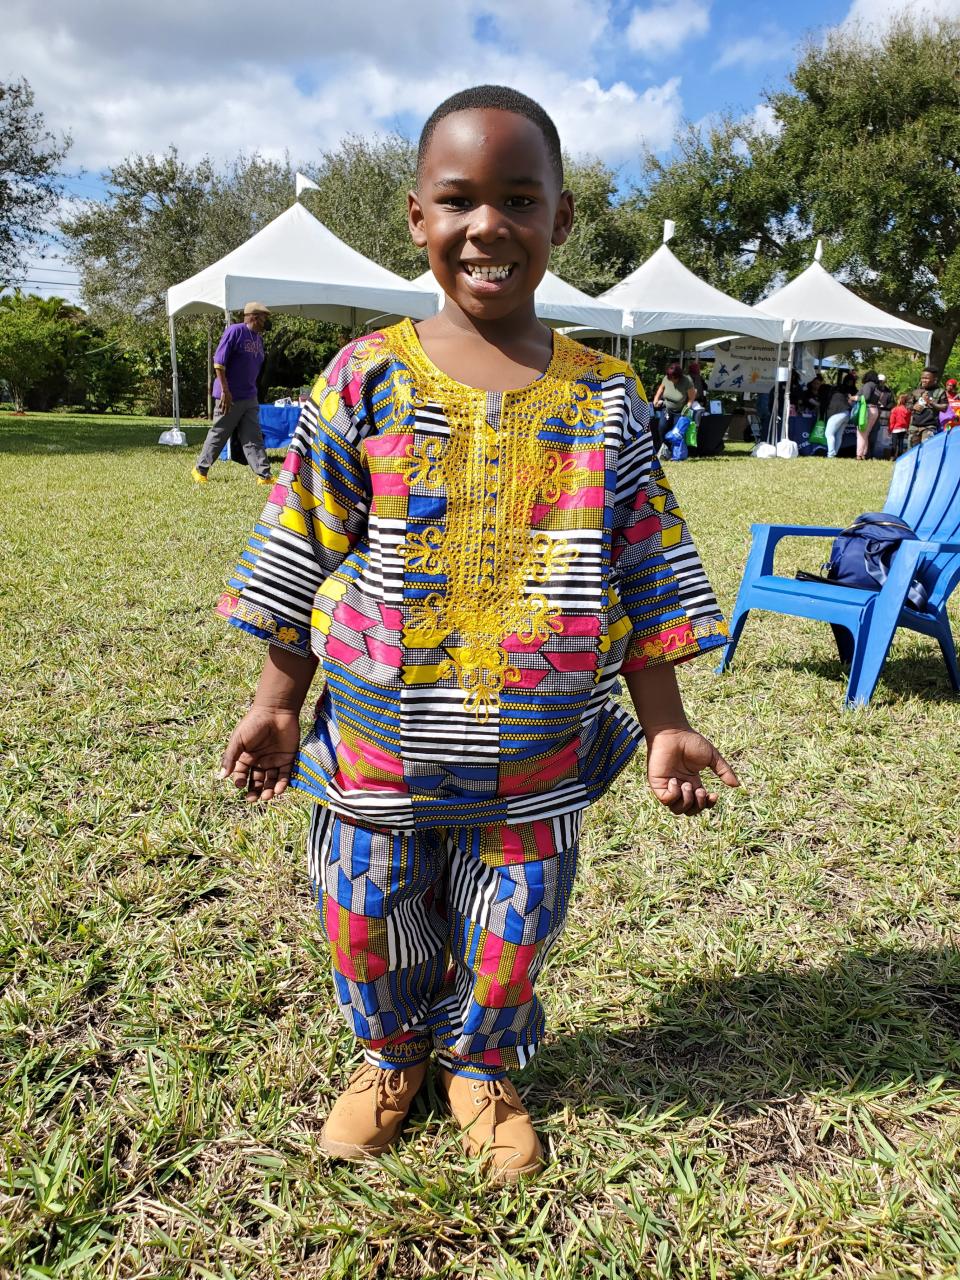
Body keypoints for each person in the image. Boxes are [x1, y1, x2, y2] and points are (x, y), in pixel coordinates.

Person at [215, 84, 739, 1185]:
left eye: (519, 198)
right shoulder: (365, 376)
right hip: (375, 748)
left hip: (538, 755)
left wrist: (669, 725)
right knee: (363, 914)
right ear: (417, 217)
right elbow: (301, 544)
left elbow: (644, 564)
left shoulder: (605, 396)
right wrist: (272, 701)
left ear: (561, 220)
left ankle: (481, 1065)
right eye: (459, 199)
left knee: (514, 932)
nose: (486, 225)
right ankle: (387, 1056)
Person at [192, 302, 273, 486]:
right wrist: (225, 391)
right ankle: (200, 470)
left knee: (253, 436)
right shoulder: (235, 332)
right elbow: (219, 362)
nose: (266, 321)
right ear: (253, 316)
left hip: (249, 395)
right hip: (229, 395)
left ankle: (264, 476)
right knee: (220, 433)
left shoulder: (258, 339)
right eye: (264, 317)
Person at [651, 362, 695, 449]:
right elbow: (661, 389)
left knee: (676, 432)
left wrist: (687, 409)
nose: (671, 380)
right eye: (669, 378)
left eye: (673, 378)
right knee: (662, 428)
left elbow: (691, 398)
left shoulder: (687, 381)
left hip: (680, 411)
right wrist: (656, 400)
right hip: (667, 408)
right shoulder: (667, 378)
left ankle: (675, 451)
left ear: (679, 376)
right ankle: (664, 448)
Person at [908, 367, 948, 449]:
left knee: (926, 450)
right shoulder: (916, 392)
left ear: (934, 379)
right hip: (914, 427)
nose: (923, 380)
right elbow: (908, 406)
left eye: (926, 378)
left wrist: (931, 402)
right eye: (922, 378)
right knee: (911, 452)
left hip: (929, 427)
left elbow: (944, 407)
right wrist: (914, 406)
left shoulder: (940, 392)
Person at [824, 375, 855, 458]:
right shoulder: (842, 395)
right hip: (846, 414)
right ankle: (834, 454)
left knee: (829, 434)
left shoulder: (831, 395)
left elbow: (830, 409)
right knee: (838, 435)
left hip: (837, 415)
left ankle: (831, 454)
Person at [856, 369, 880, 461]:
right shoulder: (877, 387)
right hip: (874, 410)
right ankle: (864, 454)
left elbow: (865, 397)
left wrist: (855, 398)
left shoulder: (868, 385)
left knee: (861, 433)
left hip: (866, 410)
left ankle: (859, 455)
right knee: (866, 433)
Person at [888, 393, 911, 459]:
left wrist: (890, 429)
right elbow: (908, 420)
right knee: (901, 443)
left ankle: (892, 456)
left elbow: (892, 421)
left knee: (894, 443)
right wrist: (907, 427)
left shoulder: (894, 409)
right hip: (903, 428)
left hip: (895, 429)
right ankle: (900, 457)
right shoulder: (907, 410)